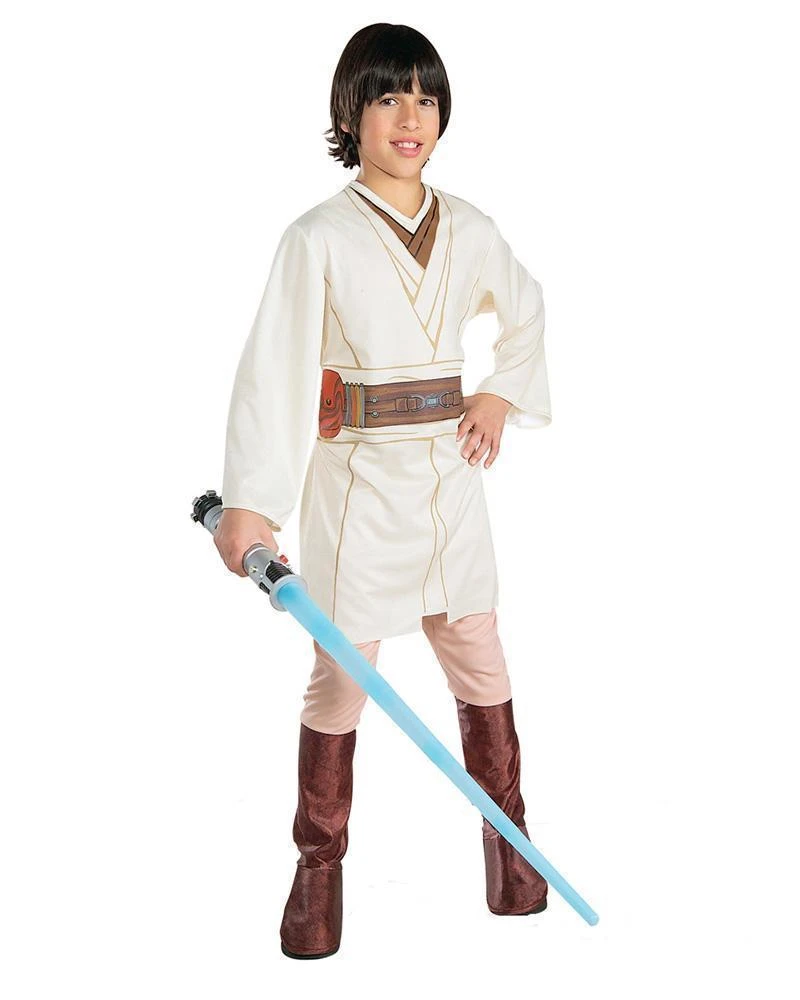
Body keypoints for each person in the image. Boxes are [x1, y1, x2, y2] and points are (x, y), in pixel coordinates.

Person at [214, 22, 552, 959]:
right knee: (343, 667)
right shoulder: (317, 237)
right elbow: (275, 369)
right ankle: (317, 870)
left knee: (478, 648)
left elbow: (525, 309)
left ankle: (513, 851)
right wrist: (252, 503)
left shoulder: (470, 228)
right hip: (358, 479)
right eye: (389, 97)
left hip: (448, 473)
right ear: (350, 114)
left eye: (425, 98)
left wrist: (497, 391)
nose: (410, 117)